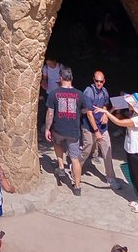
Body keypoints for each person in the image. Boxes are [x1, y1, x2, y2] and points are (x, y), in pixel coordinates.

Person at [100, 92, 138, 212]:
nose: (128, 104)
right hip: (131, 150)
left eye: (130, 103)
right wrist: (114, 108)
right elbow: (121, 117)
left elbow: (120, 123)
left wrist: (107, 112)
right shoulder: (134, 114)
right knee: (134, 176)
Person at [45, 65, 89, 196]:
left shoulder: (54, 94)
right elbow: (84, 111)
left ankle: (61, 166)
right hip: (73, 131)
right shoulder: (79, 94)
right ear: (71, 78)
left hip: (58, 128)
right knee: (75, 159)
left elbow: (50, 114)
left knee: (57, 143)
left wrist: (47, 128)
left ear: (60, 77)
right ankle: (77, 187)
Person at [81, 69, 120, 189]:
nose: (99, 83)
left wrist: (104, 114)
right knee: (87, 148)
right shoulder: (88, 92)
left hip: (102, 126)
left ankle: (111, 177)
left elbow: (104, 104)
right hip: (89, 125)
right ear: (93, 80)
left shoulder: (104, 91)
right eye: (97, 81)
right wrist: (96, 131)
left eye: (101, 81)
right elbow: (89, 113)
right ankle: (76, 166)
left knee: (107, 150)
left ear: (104, 81)